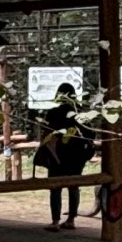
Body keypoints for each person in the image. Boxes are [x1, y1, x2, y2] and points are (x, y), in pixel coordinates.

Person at [37, 82, 90, 230]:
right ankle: (71, 219)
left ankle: (55, 221)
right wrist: (85, 155)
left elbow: (46, 135)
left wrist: (52, 154)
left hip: (57, 155)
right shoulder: (81, 114)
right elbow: (90, 136)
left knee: (55, 188)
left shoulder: (53, 113)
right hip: (77, 157)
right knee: (74, 187)